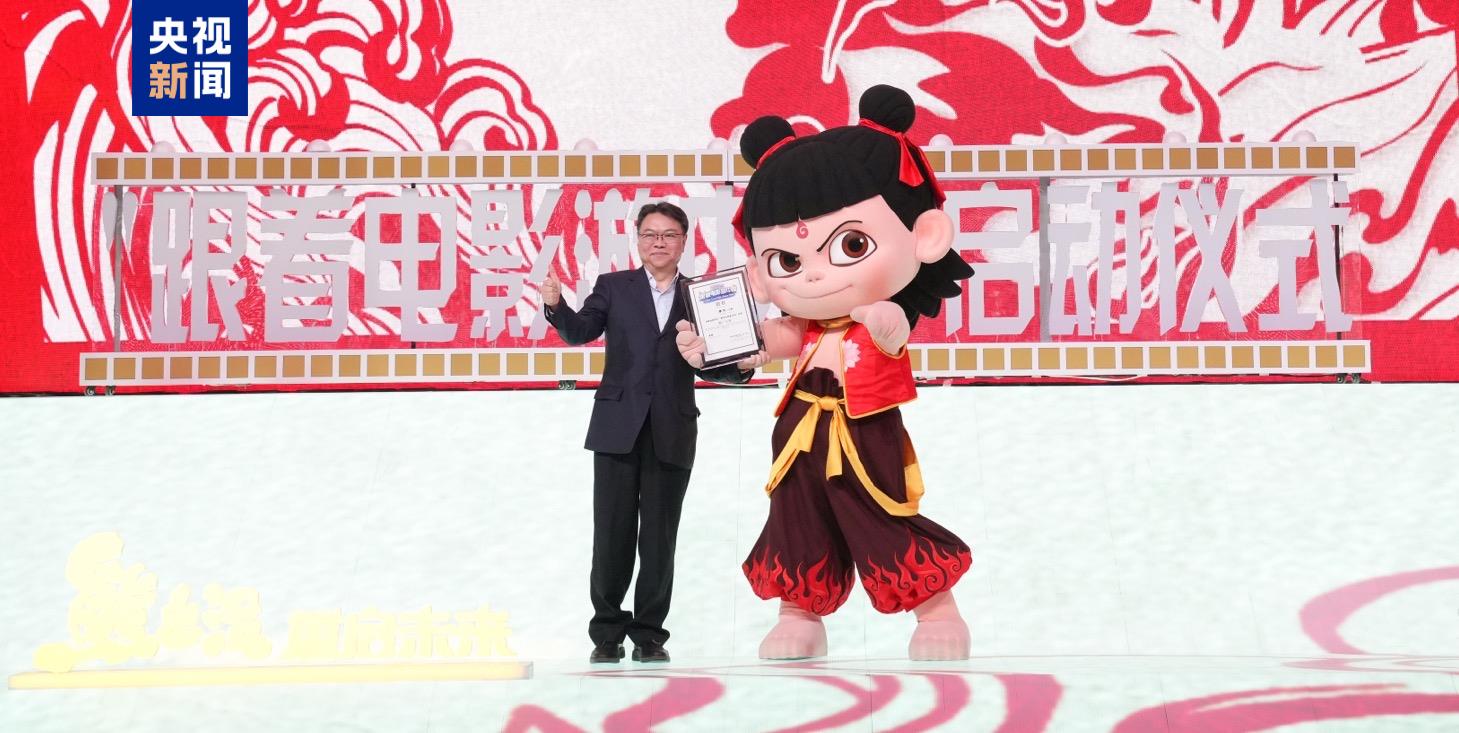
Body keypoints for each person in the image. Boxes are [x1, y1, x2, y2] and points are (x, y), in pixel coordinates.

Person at [675, 85, 976, 660]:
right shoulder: (809, 325)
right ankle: (799, 613)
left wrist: (885, 318)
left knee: (880, 512)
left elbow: (892, 334)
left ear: (926, 235)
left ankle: (937, 610)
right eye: (788, 260)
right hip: (798, 432)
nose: (812, 275)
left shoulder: (881, 313)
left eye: (851, 244)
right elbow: (778, 340)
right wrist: (722, 349)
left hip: (864, 430)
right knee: (796, 517)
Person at [541, 201, 764, 664]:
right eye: (650, 234)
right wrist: (556, 306)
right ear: (638, 240)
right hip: (617, 427)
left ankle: (649, 636)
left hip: (672, 427)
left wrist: (742, 367)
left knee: (660, 539)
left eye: (668, 235)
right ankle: (606, 634)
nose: (658, 242)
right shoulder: (613, 286)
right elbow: (580, 332)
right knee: (612, 534)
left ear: (684, 242)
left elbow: (711, 363)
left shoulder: (702, 295)